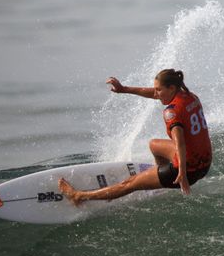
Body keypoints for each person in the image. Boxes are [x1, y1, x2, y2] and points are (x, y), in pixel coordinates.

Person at [59, 69, 212, 206]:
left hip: (187, 170)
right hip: (204, 163)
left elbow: (180, 144)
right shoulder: (190, 97)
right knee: (154, 144)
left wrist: (182, 174)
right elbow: (153, 94)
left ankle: (77, 197)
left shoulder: (171, 112)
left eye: (159, 90)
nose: (156, 94)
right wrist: (124, 89)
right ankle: (160, 178)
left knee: (129, 183)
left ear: (171, 88)